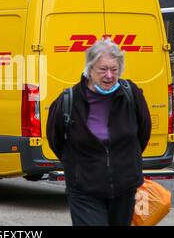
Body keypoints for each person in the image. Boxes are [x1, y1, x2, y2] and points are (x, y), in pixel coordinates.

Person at [47, 38, 151, 226]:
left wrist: (125, 160)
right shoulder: (68, 100)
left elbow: (143, 133)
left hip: (124, 186)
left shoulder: (131, 94)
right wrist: (77, 168)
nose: (109, 75)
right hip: (84, 189)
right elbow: (55, 139)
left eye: (114, 69)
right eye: (103, 69)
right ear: (90, 69)